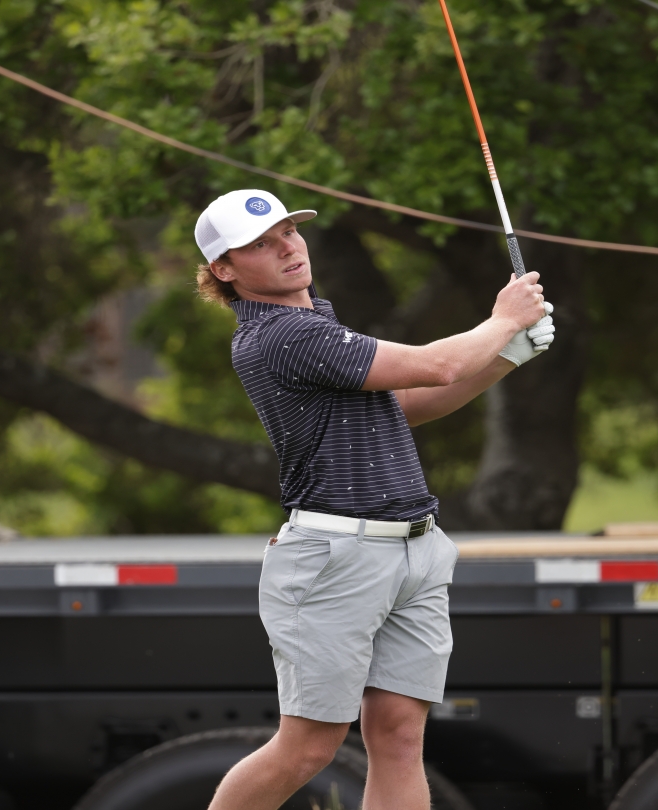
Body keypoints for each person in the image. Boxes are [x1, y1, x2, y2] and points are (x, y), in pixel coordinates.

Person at [193, 189, 555, 810]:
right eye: (259, 244)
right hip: (335, 558)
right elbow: (435, 366)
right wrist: (503, 320)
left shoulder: (317, 324)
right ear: (224, 270)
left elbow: (406, 404)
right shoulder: (279, 335)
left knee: (398, 735)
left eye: (288, 232)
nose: (287, 247)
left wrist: (506, 356)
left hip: (414, 549)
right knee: (308, 747)